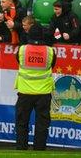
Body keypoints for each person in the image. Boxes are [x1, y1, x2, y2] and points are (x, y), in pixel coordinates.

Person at [14, 23, 56, 151]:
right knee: (42, 123)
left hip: (25, 91)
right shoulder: (50, 51)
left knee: (22, 122)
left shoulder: (22, 50)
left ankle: (21, 148)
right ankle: (39, 149)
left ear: (29, 35)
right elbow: (52, 65)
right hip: (43, 92)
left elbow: (19, 61)